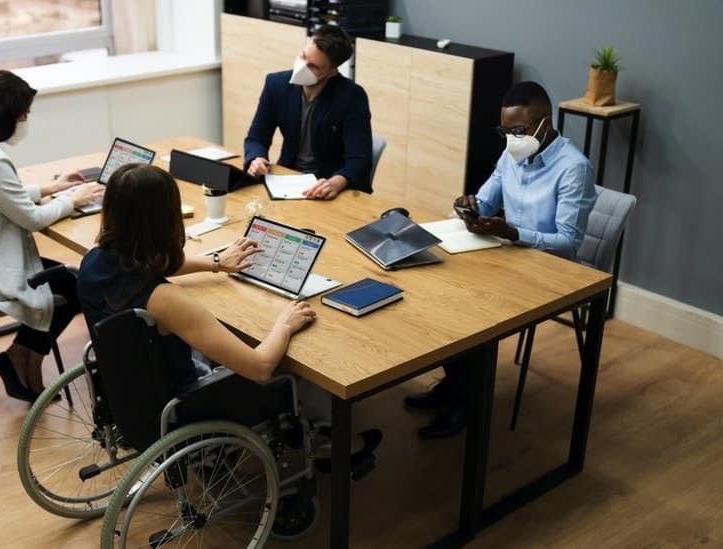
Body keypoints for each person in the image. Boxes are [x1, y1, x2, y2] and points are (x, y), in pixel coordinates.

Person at [78, 163, 381, 463]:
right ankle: (328, 438)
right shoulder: (166, 299)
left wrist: (216, 261)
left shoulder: (93, 262)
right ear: (165, 219)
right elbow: (260, 367)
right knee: (297, 362)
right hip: (188, 403)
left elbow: (148, 265)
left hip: (135, 395)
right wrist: (284, 326)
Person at [405, 81, 598, 439]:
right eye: (505, 131)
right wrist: (469, 208)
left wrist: (513, 234)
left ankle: (468, 402)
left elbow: (569, 244)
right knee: (438, 291)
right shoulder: (513, 154)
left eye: (519, 130)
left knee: (469, 311)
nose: (511, 139)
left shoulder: (574, 168)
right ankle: (454, 385)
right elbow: (486, 201)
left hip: (548, 270)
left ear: (545, 122)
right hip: (505, 257)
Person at [0, 70, 105, 403]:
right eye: (23, 115)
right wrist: (71, 200)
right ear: (5, 118)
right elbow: (32, 220)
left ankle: (22, 359)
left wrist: (50, 188)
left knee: (64, 282)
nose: (26, 121)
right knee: (74, 287)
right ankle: (21, 357)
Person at [243, 25, 373, 200]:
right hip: (287, 179)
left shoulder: (352, 97)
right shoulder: (276, 85)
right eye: (303, 57)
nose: (302, 67)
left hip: (327, 184)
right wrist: (256, 159)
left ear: (332, 71)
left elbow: (360, 159)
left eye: (314, 67)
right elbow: (256, 138)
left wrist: (337, 181)